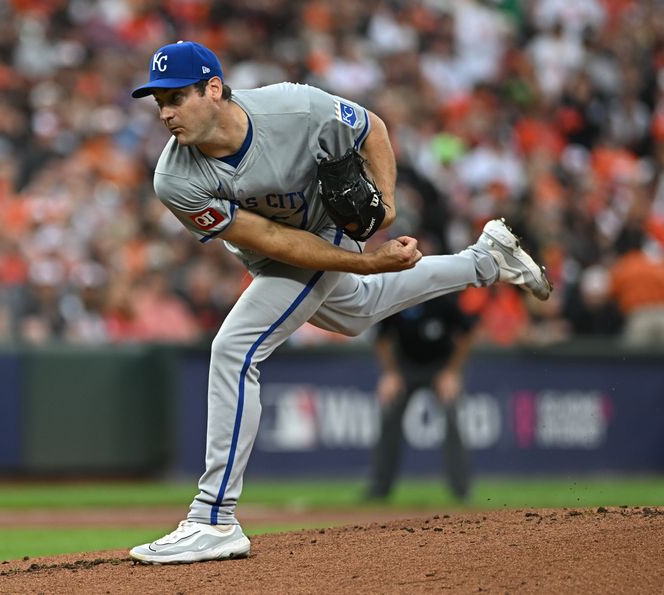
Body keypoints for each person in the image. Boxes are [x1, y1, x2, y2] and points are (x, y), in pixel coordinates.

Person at [128, 40, 551, 565]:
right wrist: (368, 263)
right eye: (158, 101)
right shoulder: (175, 178)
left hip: (330, 226)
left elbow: (371, 127)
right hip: (276, 248)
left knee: (234, 349)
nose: (165, 112)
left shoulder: (293, 107)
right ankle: (487, 259)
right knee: (358, 310)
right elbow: (272, 242)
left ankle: (213, 517)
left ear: (213, 89)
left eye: (176, 97)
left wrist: (387, 211)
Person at [365, 291, 476, 504]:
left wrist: (452, 372)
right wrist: (390, 373)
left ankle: (462, 490)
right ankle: (379, 489)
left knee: (453, 418)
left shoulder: (443, 298)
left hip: (440, 367)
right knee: (389, 417)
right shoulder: (398, 297)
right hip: (405, 368)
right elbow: (381, 339)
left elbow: (467, 334)